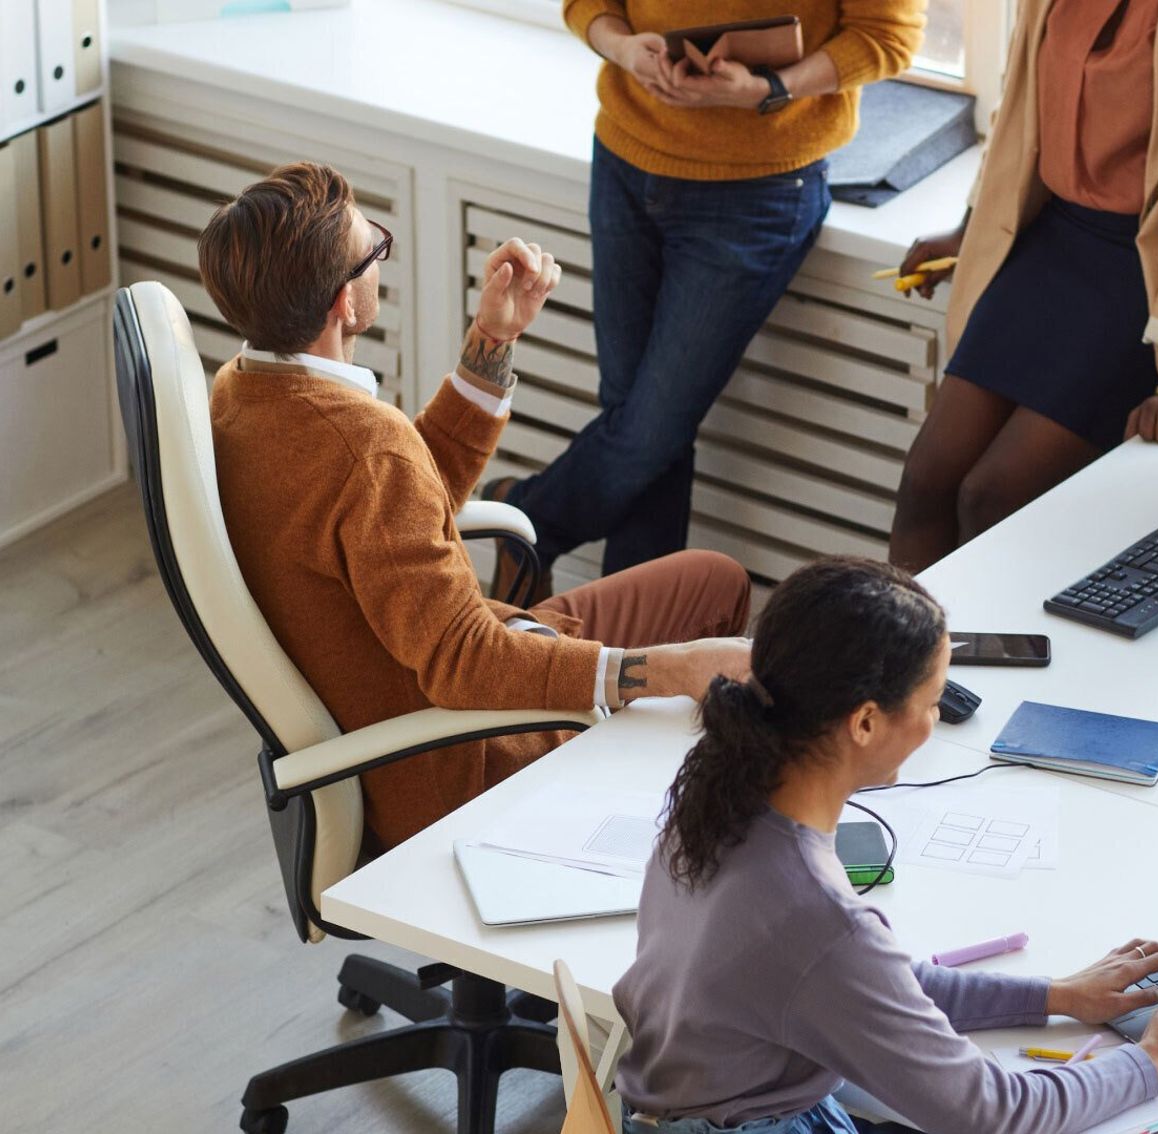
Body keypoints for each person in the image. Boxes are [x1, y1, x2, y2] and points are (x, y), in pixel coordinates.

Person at [199, 162, 752, 850]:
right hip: (461, 755)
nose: (379, 250)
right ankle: (703, 875)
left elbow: (397, 503)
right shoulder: (360, 446)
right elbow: (465, 663)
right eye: (372, 246)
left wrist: (493, 341)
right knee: (710, 656)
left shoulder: (241, 390)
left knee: (711, 581)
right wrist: (669, 670)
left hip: (463, 671)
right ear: (344, 303)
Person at [612, 556, 1158, 1134]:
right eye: (931, 701)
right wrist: (1156, 1059)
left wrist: (1055, 995)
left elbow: (863, 983)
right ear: (864, 722)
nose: (938, 719)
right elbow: (991, 1112)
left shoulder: (719, 792)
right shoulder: (816, 914)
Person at [485, 0, 926, 590]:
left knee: (651, 430)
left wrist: (770, 88)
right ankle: (626, 651)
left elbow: (888, 37)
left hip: (757, 192)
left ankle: (526, 519)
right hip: (625, 158)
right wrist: (623, 48)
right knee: (641, 421)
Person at [889, 0, 1158, 572]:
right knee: (925, 483)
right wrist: (972, 229)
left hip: (1147, 273)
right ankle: (894, 661)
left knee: (991, 497)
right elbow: (1020, 110)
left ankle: (966, 660)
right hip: (1054, 242)